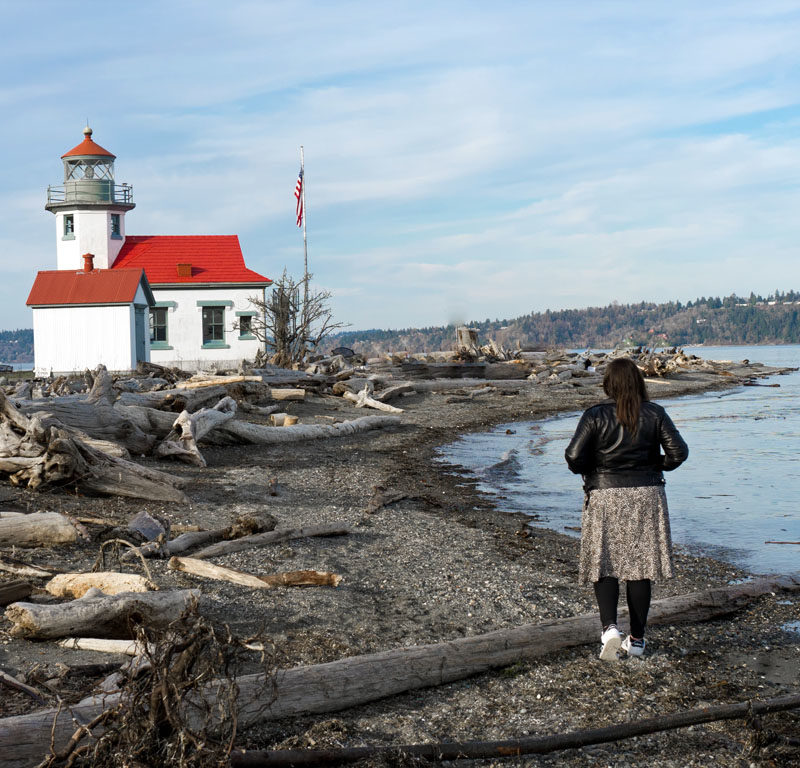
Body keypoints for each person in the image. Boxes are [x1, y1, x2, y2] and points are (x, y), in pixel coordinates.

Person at [565, 357, 688, 660]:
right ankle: (637, 640)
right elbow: (678, 453)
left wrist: (595, 466)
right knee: (640, 566)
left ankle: (609, 629)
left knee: (604, 561)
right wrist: (653, 464)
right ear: (639, 382)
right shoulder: (655, 413)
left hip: (606, 494)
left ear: (609, 384)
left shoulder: (595, 415)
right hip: (647, 495)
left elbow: (572, 457)